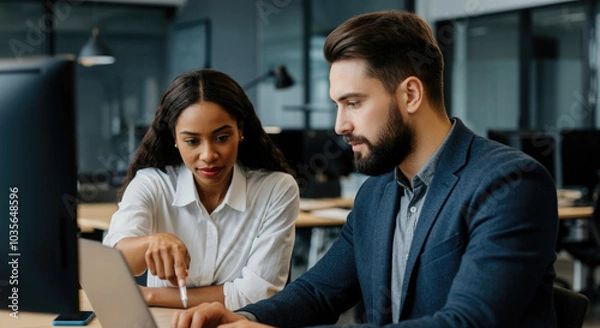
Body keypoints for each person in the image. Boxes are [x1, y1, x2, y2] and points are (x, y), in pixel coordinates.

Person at [171, 10, 559, 328]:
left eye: (353, 103)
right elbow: (319, 292)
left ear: (410, 94)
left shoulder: (509, 184)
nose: (340, 125)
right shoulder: (377, 193)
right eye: (337, 105)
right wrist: (245, 318)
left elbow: (468, 322)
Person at [102, 69, 299, 311]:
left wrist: (151, 296)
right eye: (192, 141)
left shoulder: (276, 189)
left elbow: (258, 292)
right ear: (174, 137)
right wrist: (151, 243)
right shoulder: (152, 184)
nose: (208, 155)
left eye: (221, 137)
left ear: (240, 130)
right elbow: (113, 265)